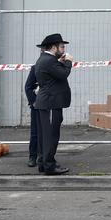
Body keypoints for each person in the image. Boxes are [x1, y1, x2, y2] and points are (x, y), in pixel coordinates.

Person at [34, 33, 73, 176]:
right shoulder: (49, 61)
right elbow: (63, 74)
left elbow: (55, 74)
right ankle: (49, 165)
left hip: (48, 103)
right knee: (51, 135)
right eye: (62, 47)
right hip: (50, 103)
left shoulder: (47, 59)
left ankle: (44, 163)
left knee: (46, 135)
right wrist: (68, 62)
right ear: (54, 47)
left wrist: (61, 62)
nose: (64, 50)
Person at [24, 62, 39, 168]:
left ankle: (46, 157)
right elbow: (28, 86)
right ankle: (32, 157)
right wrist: (33, 102)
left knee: (49, 133)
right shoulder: (35, 68)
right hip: (37, 105)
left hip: (51, 104)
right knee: (35, 132)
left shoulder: (56, 67)